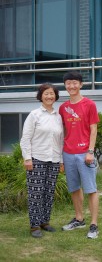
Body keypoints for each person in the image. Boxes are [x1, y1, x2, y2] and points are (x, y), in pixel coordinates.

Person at [59, 71, 100, 239]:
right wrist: (61, 158)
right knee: (74, 188)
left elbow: (93, 129)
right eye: (68, 83)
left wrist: (90, 151)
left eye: (75, 82)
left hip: (85, 153)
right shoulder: (62, 108)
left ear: (81, 85)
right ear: (65, 86)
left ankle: (94, 225)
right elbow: (61, 132)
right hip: (68, 153)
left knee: (91, 189)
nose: (71, 86)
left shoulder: (89, 104)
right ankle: (79, 218)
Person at [20, 83, 64, 238]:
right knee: (35, 194)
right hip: (36, 159)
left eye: (52, 93)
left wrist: (61, 161)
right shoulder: (34, 115)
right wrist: (27, 158)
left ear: (55, 96)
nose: (49, 96)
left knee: (48, 192)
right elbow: (25, 139)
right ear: (41, 96)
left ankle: (45, 222)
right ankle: (34, 225)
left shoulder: (58, 117)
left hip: (53, 160)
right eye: (46, 93)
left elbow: (60, 141)